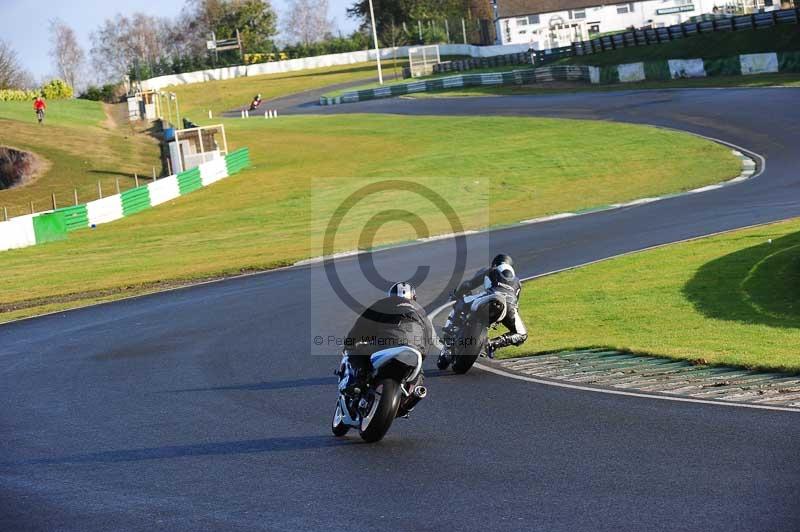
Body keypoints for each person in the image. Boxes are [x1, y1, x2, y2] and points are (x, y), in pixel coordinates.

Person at [343, 282, 437, 389]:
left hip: (387, 343)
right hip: (414, 349)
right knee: (418, 377)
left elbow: (361, 325)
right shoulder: (420, 311)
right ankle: (411, 395)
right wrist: (421, 354)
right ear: (414, 297)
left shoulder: (383, 304)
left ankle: (359, 381)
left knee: (356, 352)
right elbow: (429, 336)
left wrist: (350, 343)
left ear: (390, 296)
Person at [443, 253, 527, 358]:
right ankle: (493, 344)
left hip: (490, 296)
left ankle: (452, 328)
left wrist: (457, 294)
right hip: (508, 307)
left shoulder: (491, 270)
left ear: (495, 264)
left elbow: (468, 284)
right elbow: (516, 305)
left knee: (462, 300)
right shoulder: (518, 282)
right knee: (522, 334)